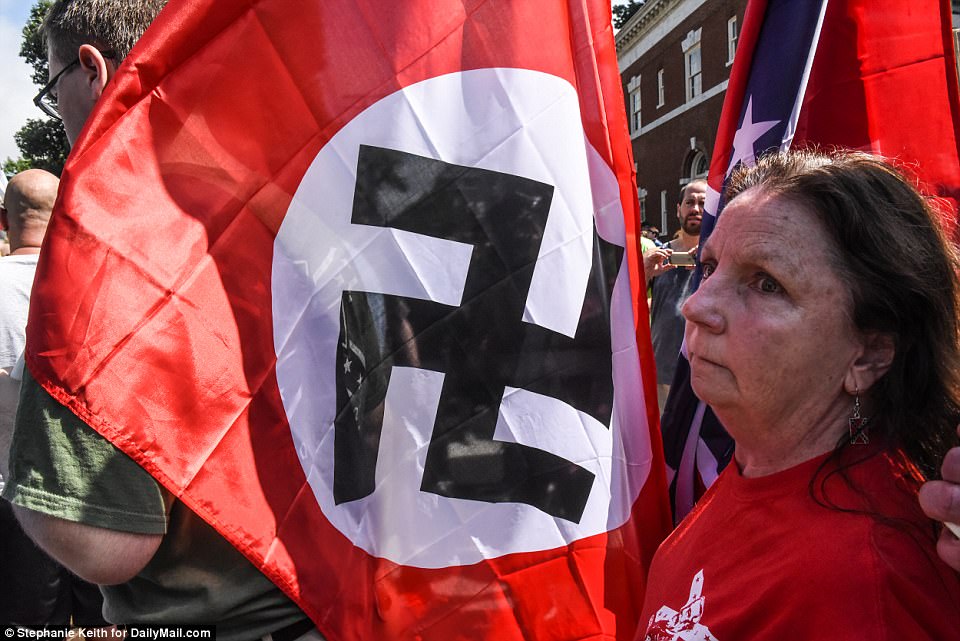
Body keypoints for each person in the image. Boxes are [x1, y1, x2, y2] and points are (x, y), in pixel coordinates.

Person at [1, 2, 317, 637]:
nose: (52, 108)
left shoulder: (111, 236)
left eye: (49, 83)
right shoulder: (306, 189)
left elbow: (103, 542)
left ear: (93, 70)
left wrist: (24, 489)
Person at [637, 150, 960, 640]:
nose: (696, 306)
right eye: (710, 267)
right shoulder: (760, 465)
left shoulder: (869, 586)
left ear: (869, 355)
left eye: (766, 283)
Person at [0, 168, 108, 626]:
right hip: (93, 500)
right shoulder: (98, 285)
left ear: (4, 220)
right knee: (102, 624)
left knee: (27, 628)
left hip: (11, 499)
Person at [643, 179, 704, 413]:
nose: (695, 209)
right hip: (663, 373)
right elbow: (628, 305)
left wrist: (710, 266)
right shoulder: (657, 255)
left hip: (705, 373)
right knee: (664, 445)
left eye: (702, 203)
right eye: (689, 202)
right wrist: (646, 272)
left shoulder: (722, 255)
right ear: (678, 208)